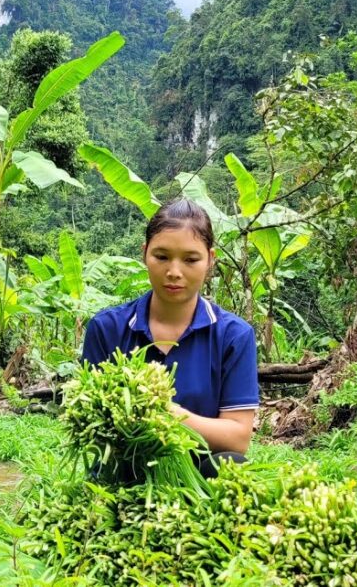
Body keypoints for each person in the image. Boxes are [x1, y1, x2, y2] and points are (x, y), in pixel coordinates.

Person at [81, 198, 259, 478]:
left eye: (190, 259)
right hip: (126, 468)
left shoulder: (233, 335)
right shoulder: (106, 329)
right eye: (162, 257)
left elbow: (238, 437)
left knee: (233, 465)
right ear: (145, 254)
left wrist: (167, 414)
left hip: (199, 473)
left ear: (211, 260)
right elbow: (90, 425)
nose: (174, 272)